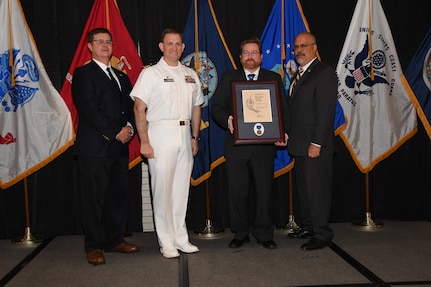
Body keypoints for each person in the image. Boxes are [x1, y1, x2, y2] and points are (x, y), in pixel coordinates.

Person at [131, 28, 203, 259]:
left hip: (184, 134)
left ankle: (181, 238)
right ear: (161, 46)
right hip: (160, 132)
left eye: (178, 44)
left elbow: (197, 107)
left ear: (183, 47)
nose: (174, 48)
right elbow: (139, 108)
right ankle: (166, 241)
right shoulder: (151, 74)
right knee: (162, 190)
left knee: (181, 190)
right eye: (169, 44)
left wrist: (194, 137)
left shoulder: (190, 74)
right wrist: (144, 141)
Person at [211, 36, 288, 250]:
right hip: (236, 148)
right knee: (238, 193)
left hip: (264, 148)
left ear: (261, 57)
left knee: (264, 193)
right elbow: (215, 108)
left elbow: (283, 110)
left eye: (254, 53)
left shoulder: (273, 78)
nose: (250, 57)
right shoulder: (229, 78)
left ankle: (264, 233)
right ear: (240, 57)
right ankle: (241, 232)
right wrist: (228, 120)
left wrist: (284, 131)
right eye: (246, 53)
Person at [72, 27, 140, 265]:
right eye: (99, 42)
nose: (104, 45)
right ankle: (93, 246)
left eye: (108, 42)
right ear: (90, 46)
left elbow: (132, 108)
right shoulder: (83, 74)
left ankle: (114, 239)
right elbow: (89, 108)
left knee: (117, 196)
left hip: (119, 148)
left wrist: (130, 128)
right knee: (94, 199)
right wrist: (115, 132)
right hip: (95, 148)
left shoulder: (122, 77)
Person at [286, 32, 337, 250]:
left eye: (304, 46)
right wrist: (286, 133)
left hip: (315, 146)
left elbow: (325, 112)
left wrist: (316, 143)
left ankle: (322, 233)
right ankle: (308, 226)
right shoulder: (300, 74)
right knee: (304, 189)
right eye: (296, 46)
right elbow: (296, 111)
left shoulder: (324, 73)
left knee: (317, 190)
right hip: (299, 144)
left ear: (315, 48)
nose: (299, 50)